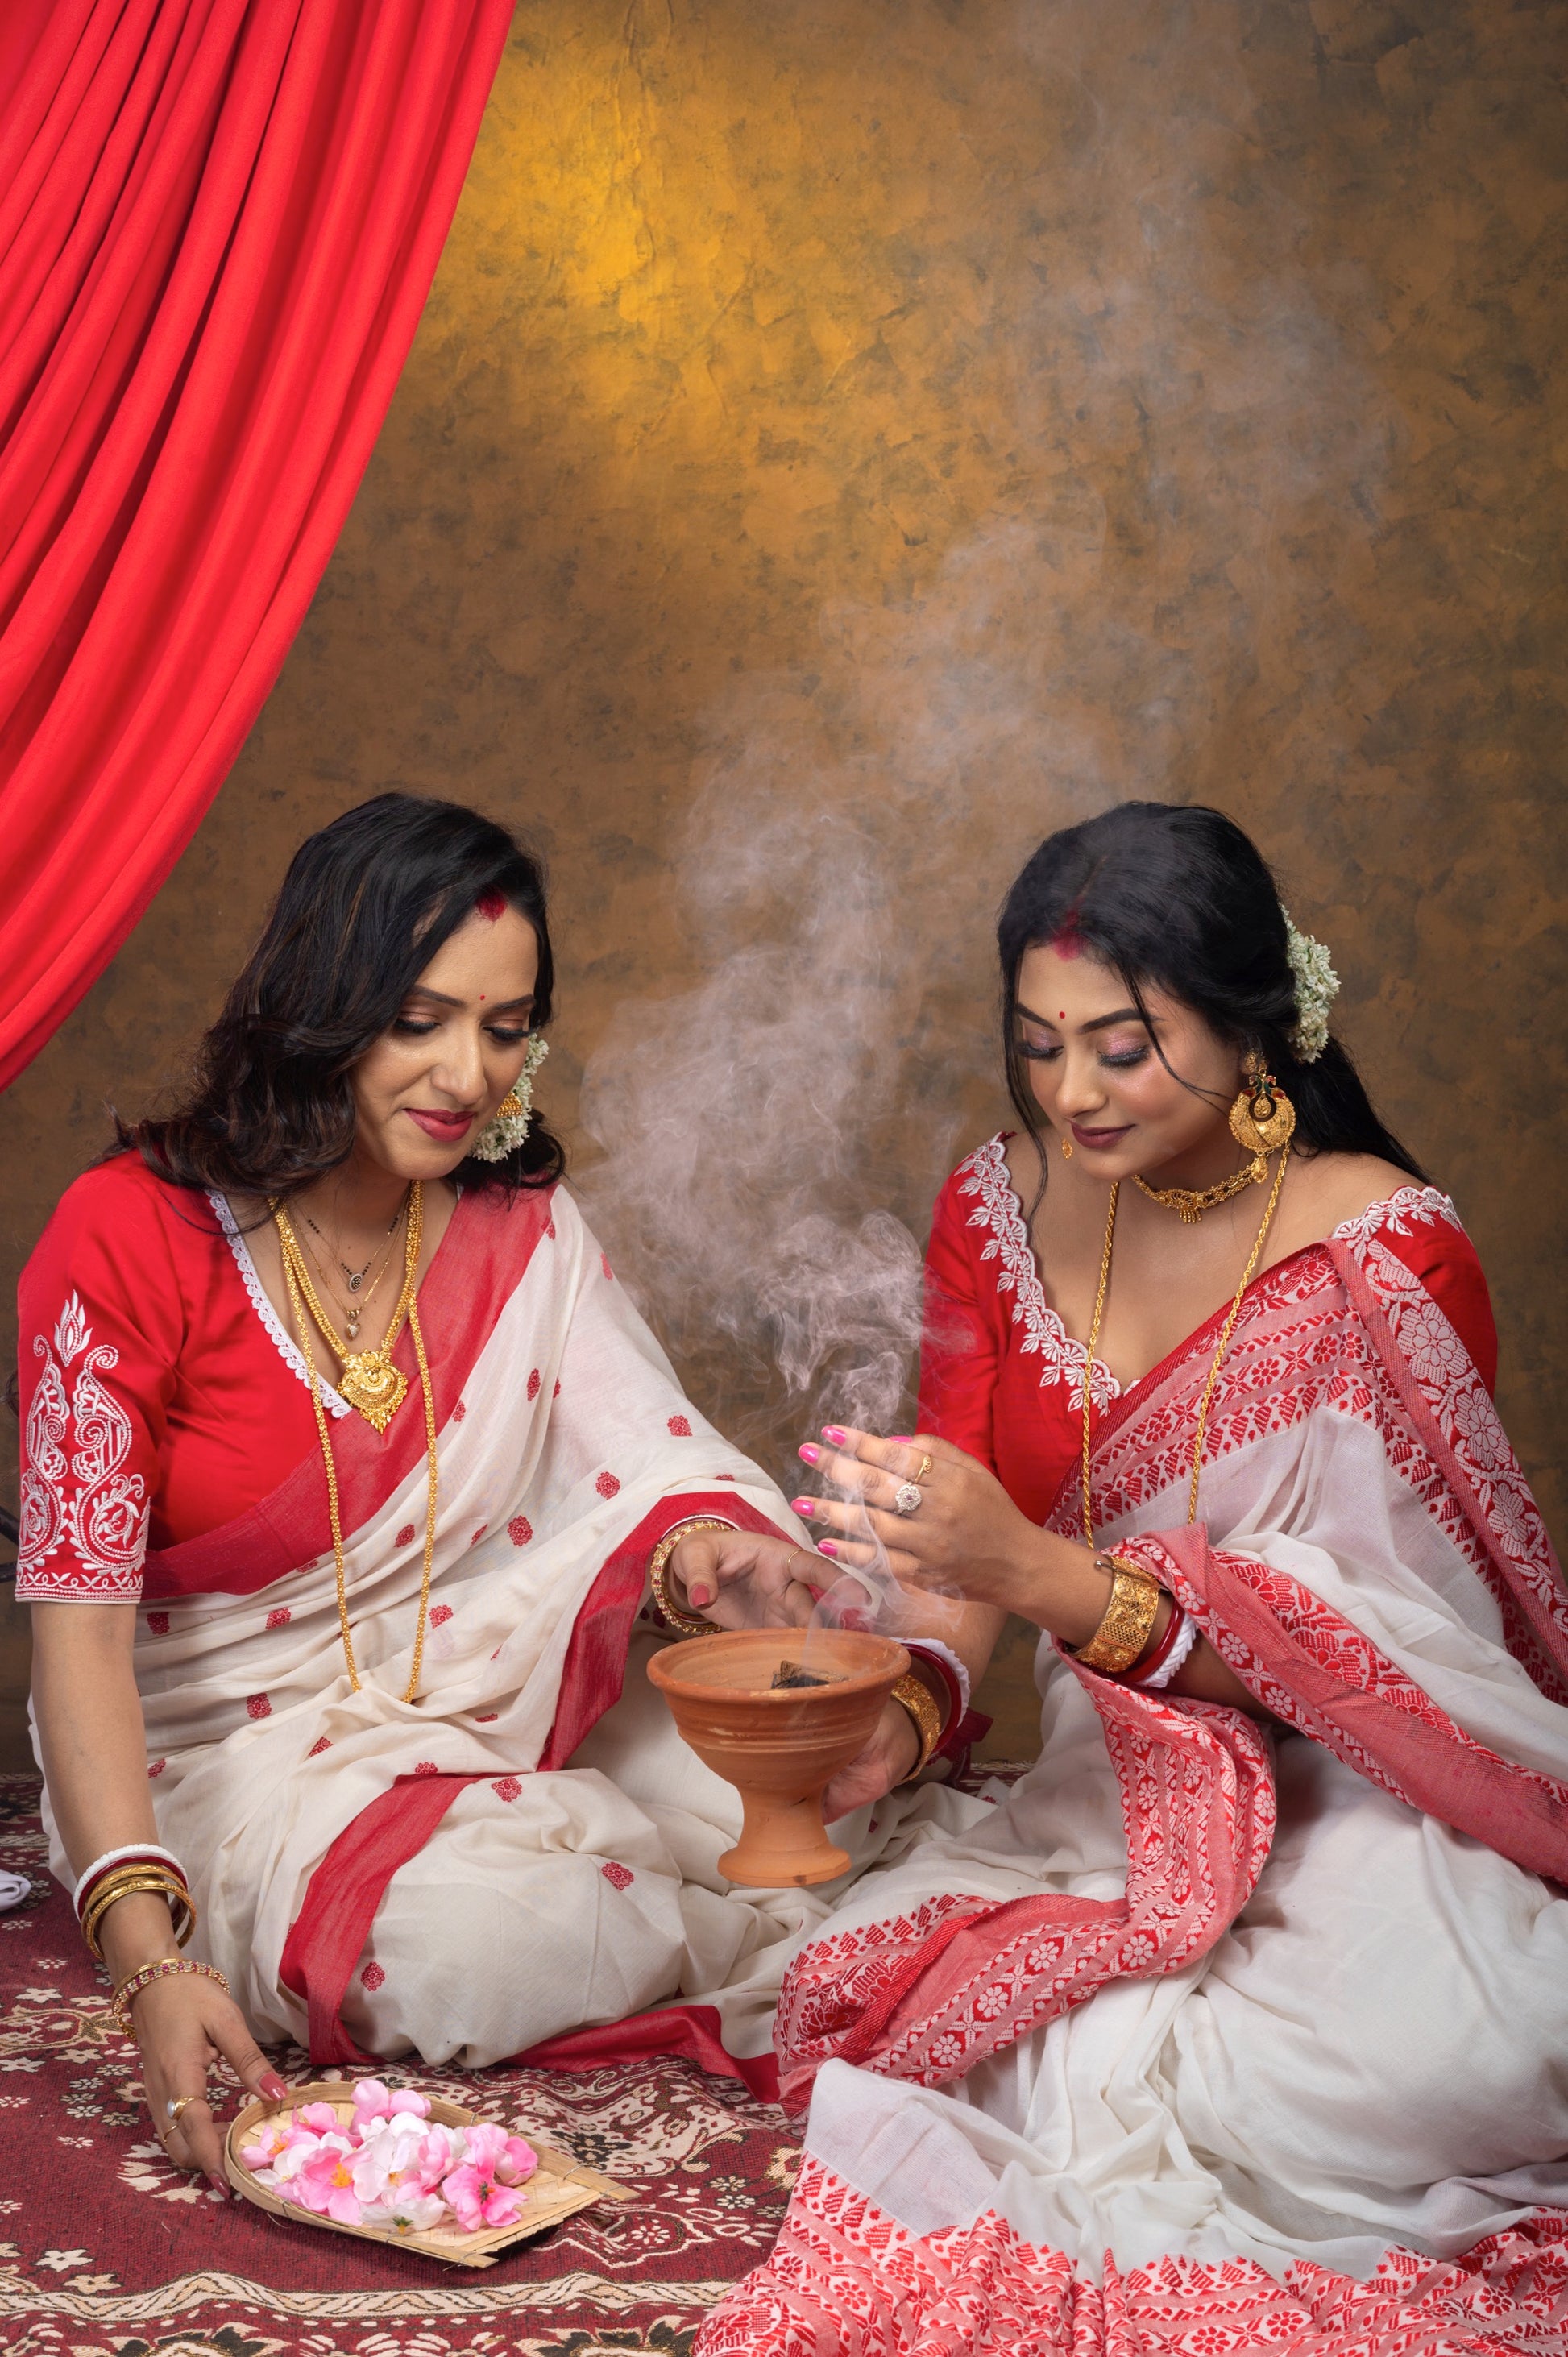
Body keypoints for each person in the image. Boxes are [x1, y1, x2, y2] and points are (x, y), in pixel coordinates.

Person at [16, 795, 989, 2197]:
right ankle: (619, 1893)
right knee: (492, 1947)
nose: (466, 1073)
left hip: (485, 1680)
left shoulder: (513, 1224)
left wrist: (718, 1557)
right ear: (321, 1003)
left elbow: (650, 1463)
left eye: (506, 1025)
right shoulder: (127, 1238)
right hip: (220, 1742)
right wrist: (149, 1957)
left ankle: (606, 1861)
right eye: (417, 1019)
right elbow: (79, 1638)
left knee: (782, 1804)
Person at [697, 803, 1568, 2355]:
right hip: (1111, 1787)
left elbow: (1404, 1652)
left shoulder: (1381, 1252)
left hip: (1358, 1783)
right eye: (1037, 1046)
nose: (1070, 1092)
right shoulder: (997, 1212)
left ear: (1250, 1032)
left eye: (1121, 1045)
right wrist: (897, 1722)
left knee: (1464, 2052)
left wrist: (1032, 1566)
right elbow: (958, 1572)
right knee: (935, 2005)